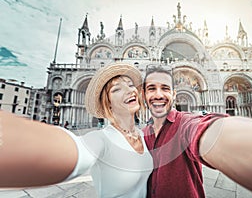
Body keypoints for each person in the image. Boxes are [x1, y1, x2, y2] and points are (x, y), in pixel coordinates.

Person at [142, 64, 252, 198]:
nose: (158, 95)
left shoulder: (185, 124)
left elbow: (208, 131)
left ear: (174, 94)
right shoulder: (142, 135)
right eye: (151, 88)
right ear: (143, 95)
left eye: (165, 88)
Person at [0, 63, 153, 198]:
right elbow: (75, 151)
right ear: (108, 103)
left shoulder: (143, 134)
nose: (129, 90)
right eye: (117, 89)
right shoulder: (100, 139)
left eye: (130, 84)